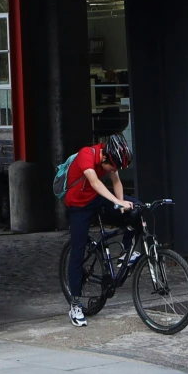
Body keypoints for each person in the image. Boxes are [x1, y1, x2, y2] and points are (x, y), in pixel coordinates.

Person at [62, 135, 134, 326]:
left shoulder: (110, 158)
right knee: (78, 251)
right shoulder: (87, 154)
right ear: (104, 158)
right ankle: (75, 305)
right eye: (113, 167)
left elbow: (116, 182)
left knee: (138, 209)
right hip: (78, 206)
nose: (114, 170)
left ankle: (128, 253)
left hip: (95, 198)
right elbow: (94, 182)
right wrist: (116, 201)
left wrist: (121, 205)